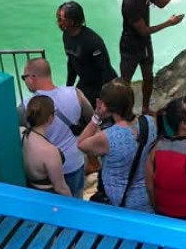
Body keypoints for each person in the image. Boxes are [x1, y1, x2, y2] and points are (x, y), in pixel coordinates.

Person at [77, 79, 157, 212]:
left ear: (106, 107)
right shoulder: (149, 122)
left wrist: (96, 116)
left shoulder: (108, 137)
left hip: (120, 200)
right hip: (147, 194)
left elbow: (81, 144)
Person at [19, 58, 93, 198]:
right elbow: (91, 119)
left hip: (44, 172)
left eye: (24, 77)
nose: (25, 81)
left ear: (32, 77)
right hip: (74, 163)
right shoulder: (75, 93)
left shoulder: (26, 106)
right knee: (76, 200)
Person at [119, 0, 185, 114]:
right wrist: (169, 23)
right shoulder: (131, 3)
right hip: (130, 46)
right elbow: (144, 30)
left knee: (148, 77)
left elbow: (161, 3)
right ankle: (124, 112)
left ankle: (145, 108)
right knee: (125, 82)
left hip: (145, 44)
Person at [56, 0, 117, 106]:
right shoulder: (66, 35)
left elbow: (105, 69)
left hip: (101, 83)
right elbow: (71, 62)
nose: (58, 22)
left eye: (61, 19)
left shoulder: (92, 41)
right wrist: (69, 87)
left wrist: (104, 98)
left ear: (72, 21)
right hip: (85, 81)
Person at [21, 95, 72, 197]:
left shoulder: (21, 133)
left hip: (30, 189)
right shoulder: (50, 151)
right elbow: (60, 187)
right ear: (50, 118)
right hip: (48, 195)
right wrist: (75, 205)